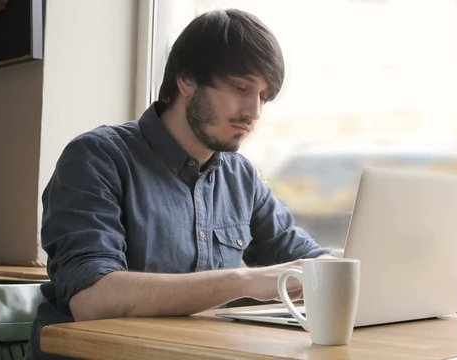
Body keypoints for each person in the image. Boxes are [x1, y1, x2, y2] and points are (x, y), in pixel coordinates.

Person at [27, 9, 330, 359]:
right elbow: (92, 298)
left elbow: (304, 258)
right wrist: (244, 281)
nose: (254, 111)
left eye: (263, 96)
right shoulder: (97, 158)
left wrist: (351, 264)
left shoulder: (240, 177)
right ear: (186, 80)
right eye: (240, 88)